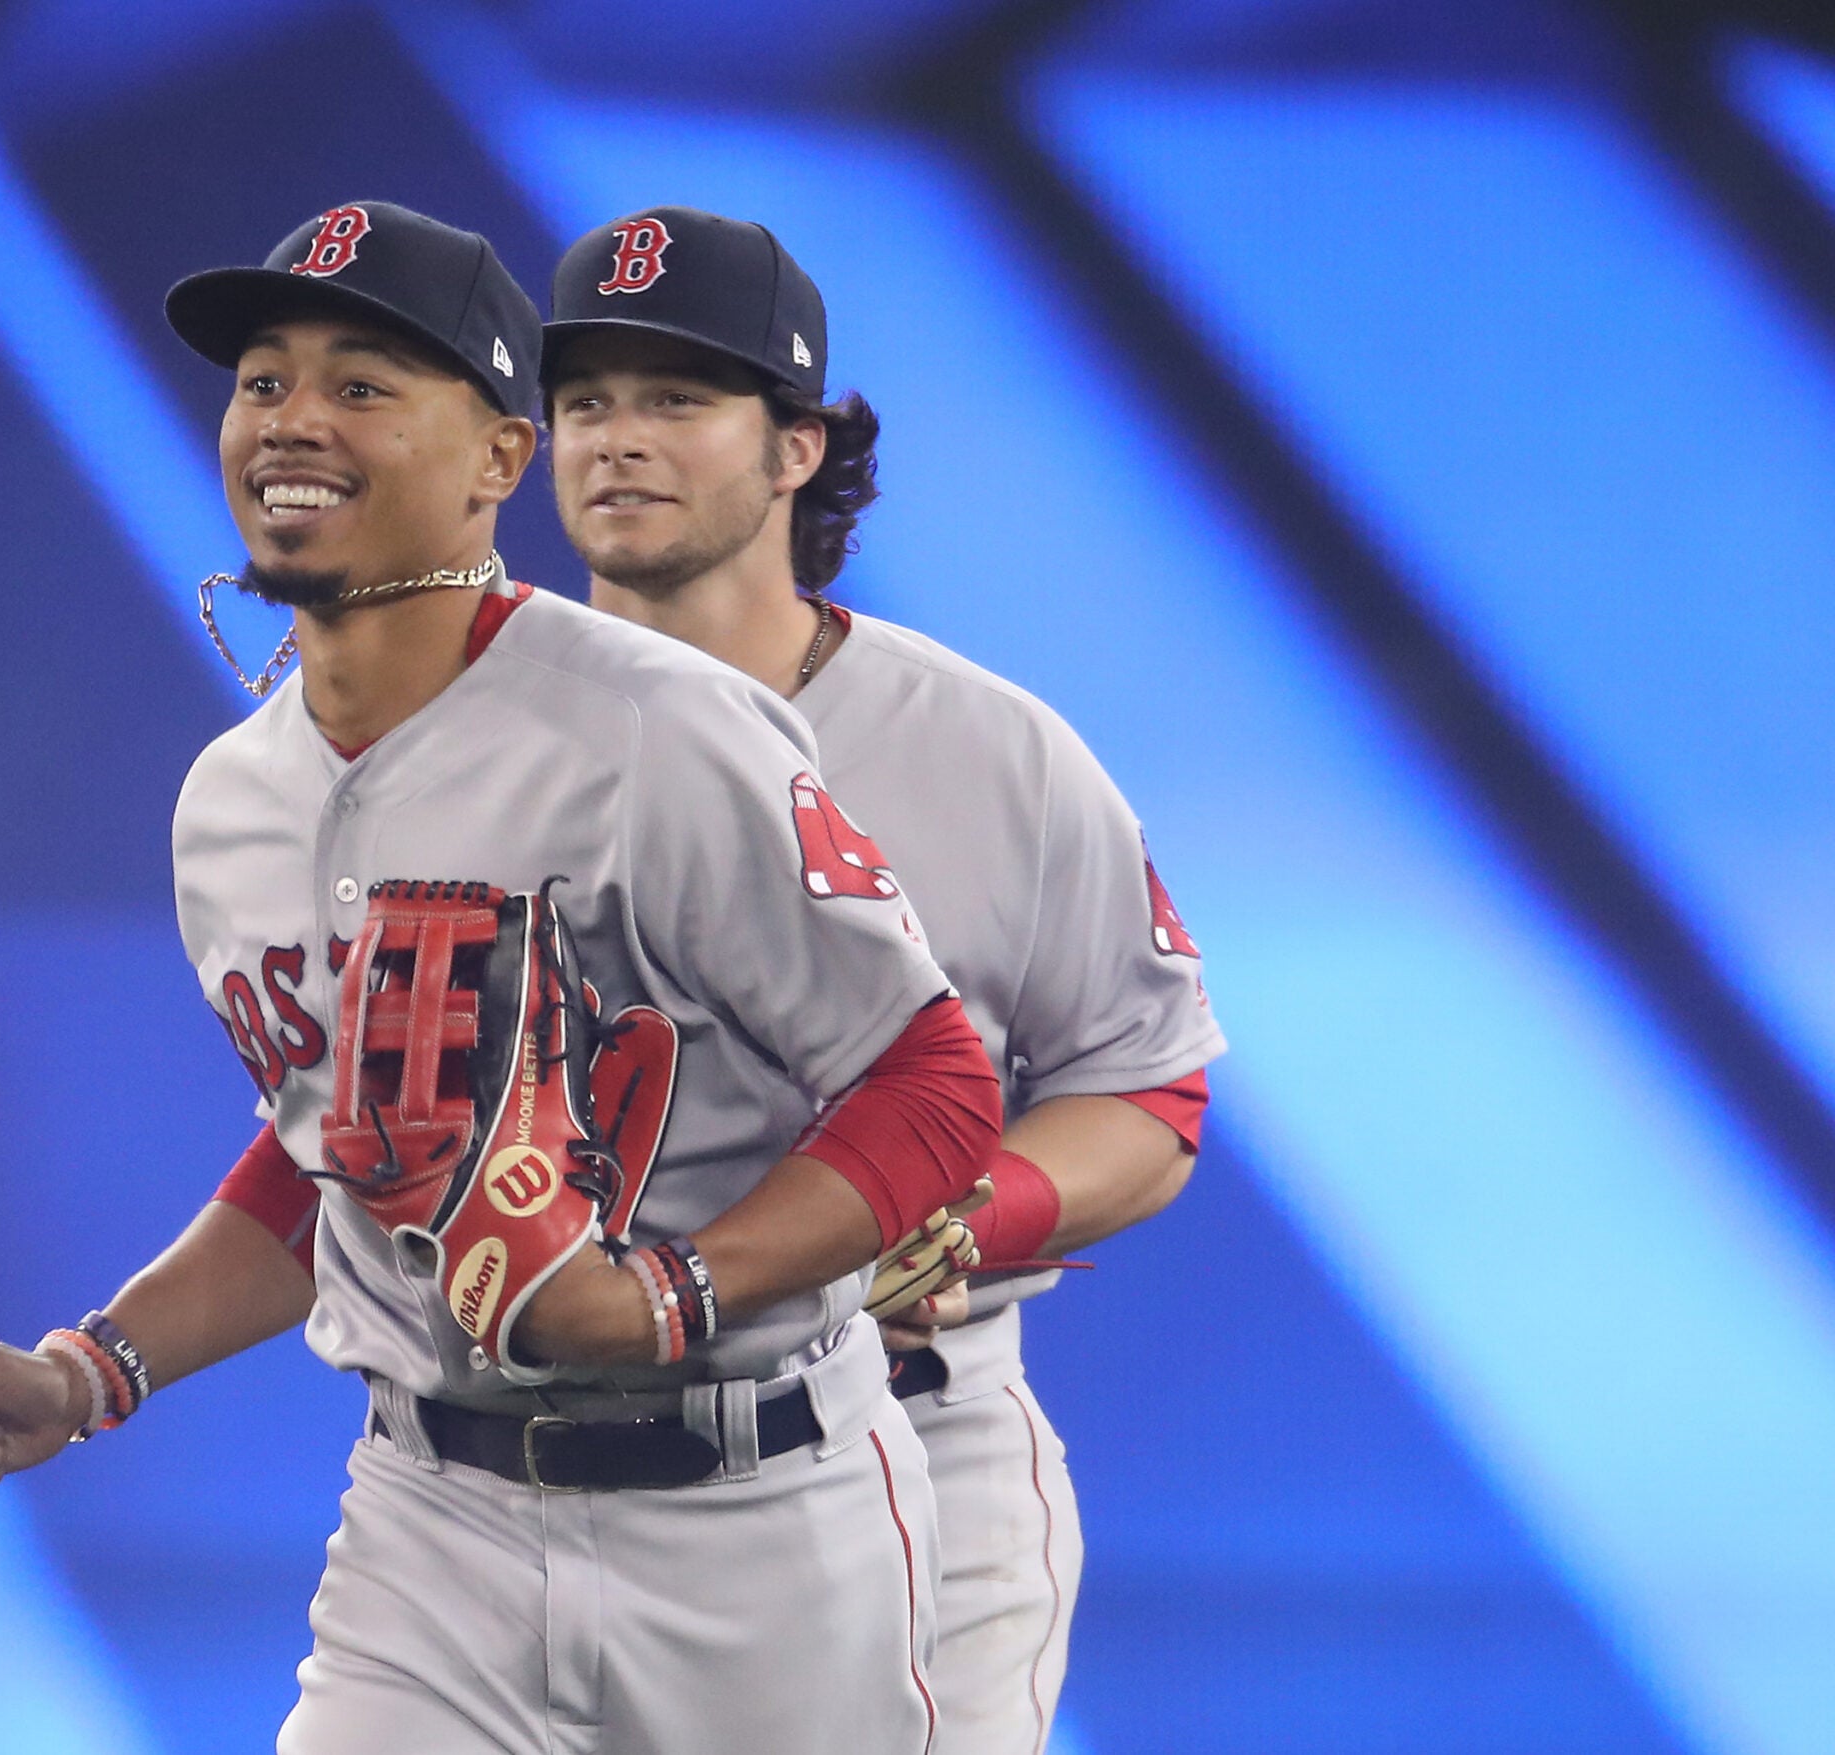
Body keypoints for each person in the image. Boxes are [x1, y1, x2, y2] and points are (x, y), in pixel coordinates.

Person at [0, 200, 1011, 1755]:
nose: (294, 419)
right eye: (265, 379)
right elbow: (348, 1157)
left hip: (760, 1527)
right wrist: (88, 1372)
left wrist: (671, 1293)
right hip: (434, 1530)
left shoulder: (661, 731)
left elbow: (936, 1079)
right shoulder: (231, 802)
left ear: (500, 458)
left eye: (364, 384)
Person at [540, 206, 1227, 1755]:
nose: (621, 440)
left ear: (796, 449)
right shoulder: (454, 744)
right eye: (587, 402)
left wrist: (960, 1214)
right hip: (521, 1487)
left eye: (678, 399)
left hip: (904, 1455)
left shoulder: (991, 749)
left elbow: (1146, 1088)